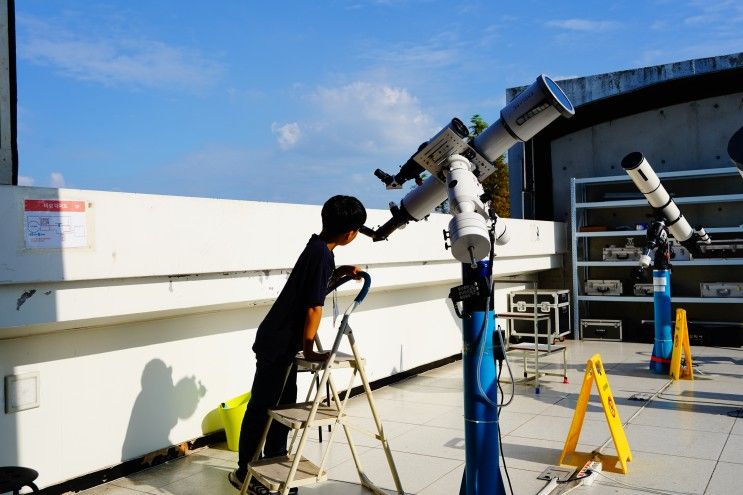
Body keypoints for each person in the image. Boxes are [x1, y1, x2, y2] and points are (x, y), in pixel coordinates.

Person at [229, 195, 367, 494]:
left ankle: (276, 462)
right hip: (278, 343)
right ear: (350, 234)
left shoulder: (317, 247)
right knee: (262, 407)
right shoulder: (320, 254)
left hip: (281, 341)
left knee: (284, 405)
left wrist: (341, 272)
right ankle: (244, 472)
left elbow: (313, 287)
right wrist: (310, 350)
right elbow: (313, 307)